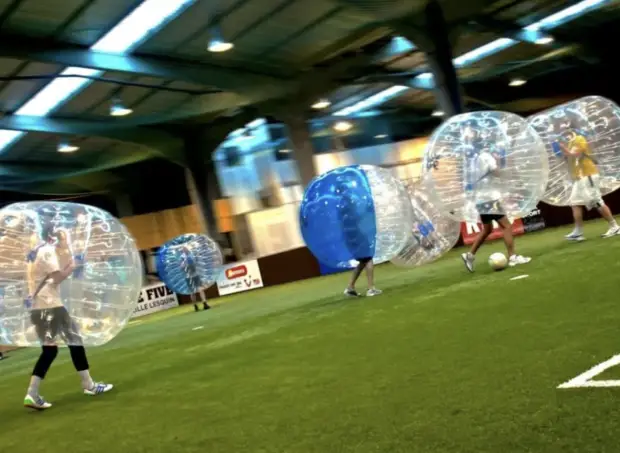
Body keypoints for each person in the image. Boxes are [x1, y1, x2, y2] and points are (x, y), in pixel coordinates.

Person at [23, 225, 112, 411]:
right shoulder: (47, 251)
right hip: (51, 306)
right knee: (75, 341)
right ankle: (89, 385)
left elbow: (47, 277)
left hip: (39, 308)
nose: (64, 240)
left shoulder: (34, 253)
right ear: (52, 236)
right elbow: (56, 278)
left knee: (50, 351)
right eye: (61, 237)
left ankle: (32, 393)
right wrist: (74, 265)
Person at [461, 148, 531, 272]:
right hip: (490, 198)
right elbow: (497, 172)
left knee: (488, 229)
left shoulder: (473, 160)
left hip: (480, 199)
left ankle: (469, 255)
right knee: (506, 226)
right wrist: (499, 162)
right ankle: (512, 257)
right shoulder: (487, 156)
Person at [560, 131, 620, 241]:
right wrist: (562, 152)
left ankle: (614, 226)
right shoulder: (570, 143)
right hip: (579, 177)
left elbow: (575, 154)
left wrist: (562, 148)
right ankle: (578, 232)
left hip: (588, 175)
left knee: (597, 201)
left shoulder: (579, 139)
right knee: (575, 203)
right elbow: (569, 158)